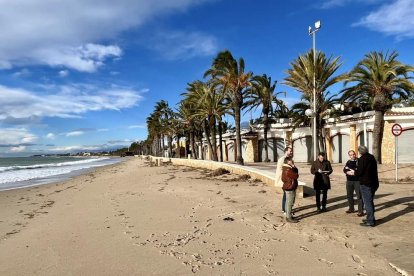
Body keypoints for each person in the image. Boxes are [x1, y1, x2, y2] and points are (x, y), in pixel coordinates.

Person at [347, 145, 379, 227]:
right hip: (374, 183)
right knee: (370, 201)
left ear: (360, 152)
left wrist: (353, 172)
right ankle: (371, 218)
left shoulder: (362, 159)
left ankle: (370, 221)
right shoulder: (371, 157)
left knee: (367, 202)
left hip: (366, 184)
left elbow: (360, 172)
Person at [343, 150, 364, 216]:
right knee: (349, 195)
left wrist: (354, 172)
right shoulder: (348, 162)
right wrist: (347, 172)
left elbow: (360, 170)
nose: (353, 156)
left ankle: (360, 211)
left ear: (355, 154)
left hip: (357, 181)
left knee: (359, 196)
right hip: (349, 181)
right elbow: (345, 169)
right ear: (349, 156)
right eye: (351, 155)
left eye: (353, 154)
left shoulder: (359, 161)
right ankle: (351, 208)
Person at [275, 146, 293, 215]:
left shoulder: (289, 159)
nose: (291, 152)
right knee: (286, 194)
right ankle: (285, 210)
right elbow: (281, 170)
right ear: (286, 151)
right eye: (290, 151)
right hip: (284, 180)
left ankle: (285, 209)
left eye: (291, 151)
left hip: (288, 180)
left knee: (287, 195)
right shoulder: (282, 159)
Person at [281, 157, 299, 223]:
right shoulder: (288, 169)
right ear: (288, 161)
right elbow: (296, 175)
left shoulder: (285, 168)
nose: (293, 161)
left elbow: (282, 179)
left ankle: (288, 215)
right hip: (290, 187)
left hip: (287, 186)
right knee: (290, 202)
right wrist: (294, 166)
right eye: (291, 160)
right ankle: (289, 217)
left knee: (288, 202)